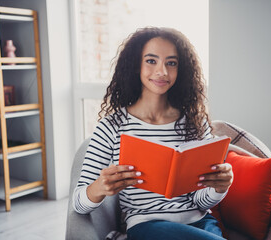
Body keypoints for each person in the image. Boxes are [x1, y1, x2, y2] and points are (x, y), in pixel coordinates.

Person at [73, 27, 234, 240]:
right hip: (147, 226)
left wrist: (219, 188)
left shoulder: (195, 123)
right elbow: (78, 205)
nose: (162, 72)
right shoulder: (112, 127)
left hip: (201, 222)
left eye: (171, 63)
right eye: (151, 61)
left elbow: (200, 202)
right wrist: (99, 187)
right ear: (135, 65)